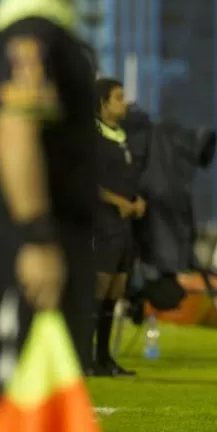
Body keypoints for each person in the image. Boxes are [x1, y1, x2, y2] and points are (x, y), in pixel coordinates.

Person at [0, 0, 110, 404]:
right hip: (33, 251)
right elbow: (14, 129)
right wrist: (35, 237)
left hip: (58, 245)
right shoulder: (30, 20)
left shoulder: (53, 20)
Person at [92, 77, 144, 377]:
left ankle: (104, 358)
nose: (124, 103)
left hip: (123, 225)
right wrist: (116, 201)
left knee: (116, 290)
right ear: (102, 103)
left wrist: (138, 200)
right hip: (103, 223)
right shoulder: (92, 137)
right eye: (118, 97)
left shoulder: (121, 135)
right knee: (99, 290)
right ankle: (86, 357)